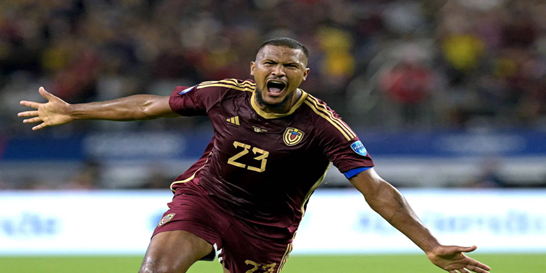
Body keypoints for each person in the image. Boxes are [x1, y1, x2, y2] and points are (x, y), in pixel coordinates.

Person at [18, 37, 491, 273]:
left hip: (266, 226)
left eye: (290, 65)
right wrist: (74, 111)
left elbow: (376, 189)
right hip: (206, 200)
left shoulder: (322, 126)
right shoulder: (221, 95)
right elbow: (146, 105)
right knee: (156, 270)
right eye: (270, 62)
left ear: (304, 75)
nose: (278, 70)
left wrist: (428, 243)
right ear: (255, 69)